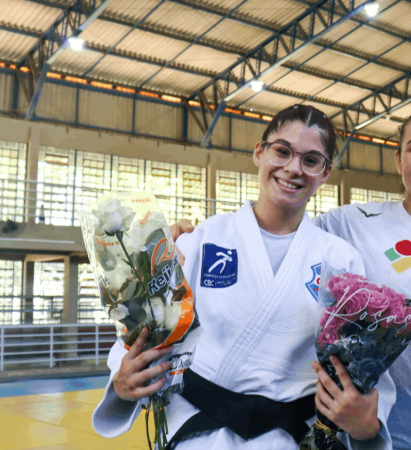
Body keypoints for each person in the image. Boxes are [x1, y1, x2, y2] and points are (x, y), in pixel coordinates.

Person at [172, 107, 411, 450]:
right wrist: (190, 239)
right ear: (398, 160)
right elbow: (278, 227)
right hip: (369, 426)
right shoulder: (350, 225)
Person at [92, 105, 395, 450]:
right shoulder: (200, 240)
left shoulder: (342, 261)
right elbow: (147, 336)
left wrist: (366, 420)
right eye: (282, 151)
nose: (293, 168)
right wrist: (124, 380)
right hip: (198, 435)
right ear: (259, 152)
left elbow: (366, 365)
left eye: (311, 160)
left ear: (325, 173)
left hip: (292, 439)